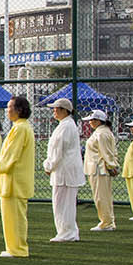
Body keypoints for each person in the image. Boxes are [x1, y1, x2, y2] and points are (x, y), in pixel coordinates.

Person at [0, 95, 35, 258]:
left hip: (14, 180)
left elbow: (10, 156)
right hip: (13, 179)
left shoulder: (20, 129)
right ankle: (13, 247)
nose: (7, 110)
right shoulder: (20, 127)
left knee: (15, 218)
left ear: (19, 110)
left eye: (10, 107)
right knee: (11, 217)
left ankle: (17, 248)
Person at [44, 97, 85, 243]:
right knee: (63, 203)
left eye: (56, 108)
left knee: (63, 204)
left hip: (64, 171)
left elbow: (57, 151)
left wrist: (49, 165)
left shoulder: (66, 126)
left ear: (64, 110)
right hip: (64, 170)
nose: (54, 111)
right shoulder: (66, 125)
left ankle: (67, 233)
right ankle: (66, 231)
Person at [83, 109, 118, 232]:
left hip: (99, 168)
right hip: (96, 168)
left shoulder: (102, 133)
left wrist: (111, 166)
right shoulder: (101, 132)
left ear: (99, 121)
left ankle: (106, 222)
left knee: (101, 196)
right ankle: (107, 220)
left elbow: (106, 152)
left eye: (92, 120)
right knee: (102, 196)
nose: (90, 122)